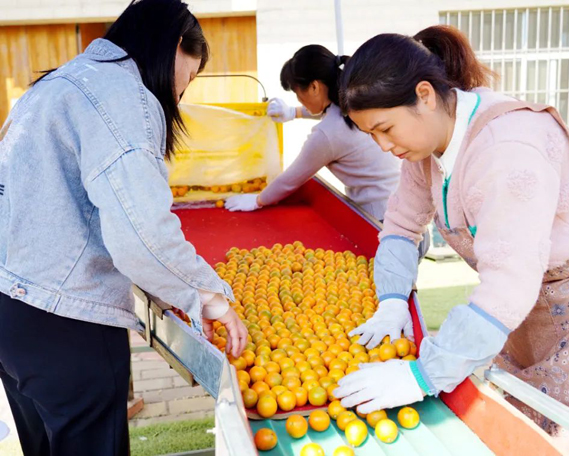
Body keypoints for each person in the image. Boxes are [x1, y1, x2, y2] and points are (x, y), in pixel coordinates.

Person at [333, 25, 569, 454]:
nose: (383, 146)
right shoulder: (425, 151)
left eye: (386, 128)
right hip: (538, 299)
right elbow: (401, 226)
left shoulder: (507, 146)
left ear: (424, 95)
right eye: (372, 135)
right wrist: (391, 301)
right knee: (515, 418)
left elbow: (508, 283)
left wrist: (423, 375)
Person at [0, 1, 246, 454]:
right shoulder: (121, 96)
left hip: (12, 311)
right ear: (176, 46)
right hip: (66, 322)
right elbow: (140, 231)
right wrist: (209, 297)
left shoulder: (58, 83)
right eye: (189, 77)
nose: (180, 94)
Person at [225, 44, 401, 222]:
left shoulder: (327, 134)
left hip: (380, 218)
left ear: (314, 87)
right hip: (402, 205)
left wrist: (258, 200)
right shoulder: (355, 101)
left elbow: (292, 178)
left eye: (297, 92)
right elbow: (331, 114)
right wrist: (294, 112)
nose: (298, 99)